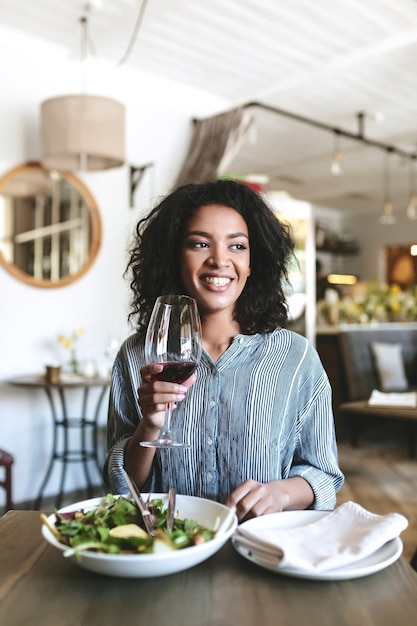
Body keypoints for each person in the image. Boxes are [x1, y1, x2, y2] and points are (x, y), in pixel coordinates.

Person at [104, 179, 344, 521]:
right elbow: (121, 485)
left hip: (261, 549)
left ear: (253, 260)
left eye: (237, 246)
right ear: (174, 255)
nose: (219, 260)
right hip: (169, 547)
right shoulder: (137, 356)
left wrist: (279, 494)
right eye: (200, 244)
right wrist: (150, 426)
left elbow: (324, 476)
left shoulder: (296, 357)